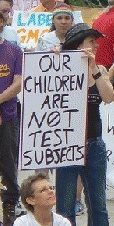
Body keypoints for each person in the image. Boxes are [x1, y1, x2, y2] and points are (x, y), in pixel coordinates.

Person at [56, 23, 114, 225]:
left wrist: (94, 70)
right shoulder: (60, 67)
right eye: (92, 42)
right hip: (66, 144)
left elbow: (109, 97)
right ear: (78, 45)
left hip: (94, 144)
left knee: (98, 205)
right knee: (65, 207)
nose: (97, 46)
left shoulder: (99, 69)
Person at [0, 11, 23, 226]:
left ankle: (10, 210)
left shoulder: (13, 50)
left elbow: (18, 83)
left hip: (7, 116)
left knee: (8, 165)